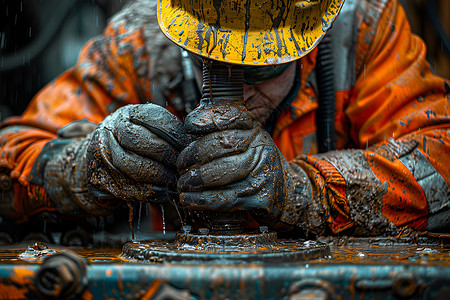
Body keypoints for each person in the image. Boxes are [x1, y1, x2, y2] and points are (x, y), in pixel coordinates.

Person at [0, 0, 448, 238]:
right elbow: (10, 161)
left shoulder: (363, 31)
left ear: (309, 41)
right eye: (208, 62)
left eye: (259, 67)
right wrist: (83, 167)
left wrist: (299, 192)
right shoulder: (139, 42)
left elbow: (441, 164)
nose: (233, 93)